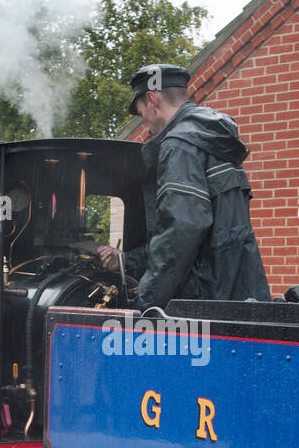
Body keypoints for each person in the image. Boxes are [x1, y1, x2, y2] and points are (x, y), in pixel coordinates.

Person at [99, 64, 271, 311]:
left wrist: (146, 303)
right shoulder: (209, 139)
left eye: (141, 112)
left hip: (203, 304)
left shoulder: (179, 144)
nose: (144, 123)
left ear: (152, 99)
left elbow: (179, 232)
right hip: (239, 295)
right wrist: (127, 261)